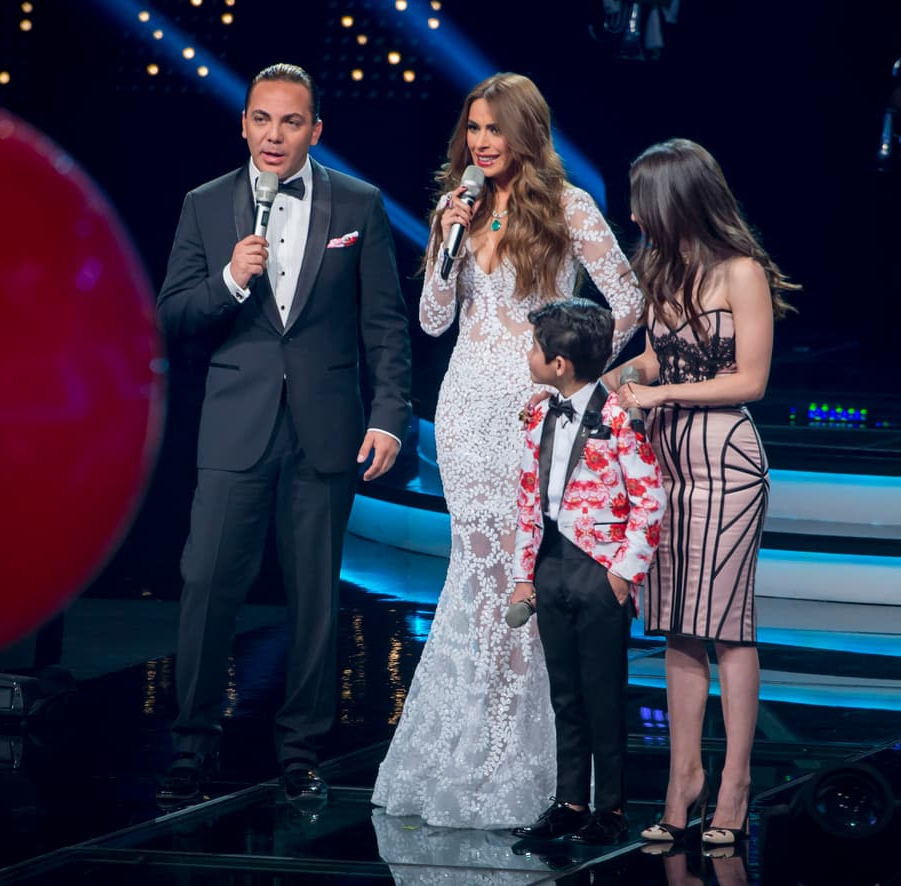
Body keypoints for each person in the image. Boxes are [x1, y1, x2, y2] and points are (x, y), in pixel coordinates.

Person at [371, 72, 643, 829]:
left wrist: (577, 378)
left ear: (525, 132)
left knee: (522, 576)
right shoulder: (460, 211)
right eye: (473, 130)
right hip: (462, 410)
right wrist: (440, 241)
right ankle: (471, 747)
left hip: (532, 410)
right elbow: (432, 322)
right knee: (478, 572)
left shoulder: (568, 206)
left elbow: (628, 302)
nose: (481, 144)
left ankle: (524, 764)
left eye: (494, 130)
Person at [153, 63, 413, 810]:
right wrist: (231, 280)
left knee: (314, 598)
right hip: (236, 429)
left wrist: (389, 415)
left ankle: (300, 751)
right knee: (207, 584)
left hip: (326, 431)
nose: (274, 135)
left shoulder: (358, 203)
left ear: (316, 131)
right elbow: (171, 315)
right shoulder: (204, 206)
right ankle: (193, 744)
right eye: (262, 119)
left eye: (291, 122)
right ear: (243, 124)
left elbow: (384, 327)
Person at [610, 138, 797, 847]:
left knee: (726, 625)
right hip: (667, 467)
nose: (633, 212)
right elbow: (658, 353)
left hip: (727, 463)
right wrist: (605, 384)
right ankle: (681, 778)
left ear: (678, 198)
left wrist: (658, 392)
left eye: (642, 199)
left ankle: (735, 782)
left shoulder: (741, 272)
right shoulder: (658, 268)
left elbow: (750, 380)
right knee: (677, 625)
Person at [506, 298, 666, 845]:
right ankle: (570, 801)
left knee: (603, 692)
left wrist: (622, 575)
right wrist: (526, 574)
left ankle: (612, 807)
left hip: (599, 571)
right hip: (551, 565)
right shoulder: (539, 412)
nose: (528, 355)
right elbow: (529, 496)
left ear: (559, 364)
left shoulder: (620, 416)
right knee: (565, 694)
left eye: (534, 347)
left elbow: (651, 499)